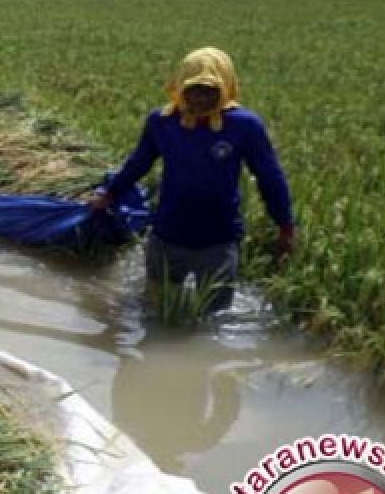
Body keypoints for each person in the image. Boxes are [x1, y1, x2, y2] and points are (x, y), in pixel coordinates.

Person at [89, 47, 295, 311]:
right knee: (155, 310)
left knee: (213, 318)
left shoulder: (244, 126)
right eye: (194, 90)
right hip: (167, 236)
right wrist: (109, 193)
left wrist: (285, 226)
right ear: (180, 88)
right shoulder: (162, 122)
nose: (200, 99)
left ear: (226, 87)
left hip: (218, 241)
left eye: (210, 91)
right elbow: (138, 163)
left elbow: (270, 177)